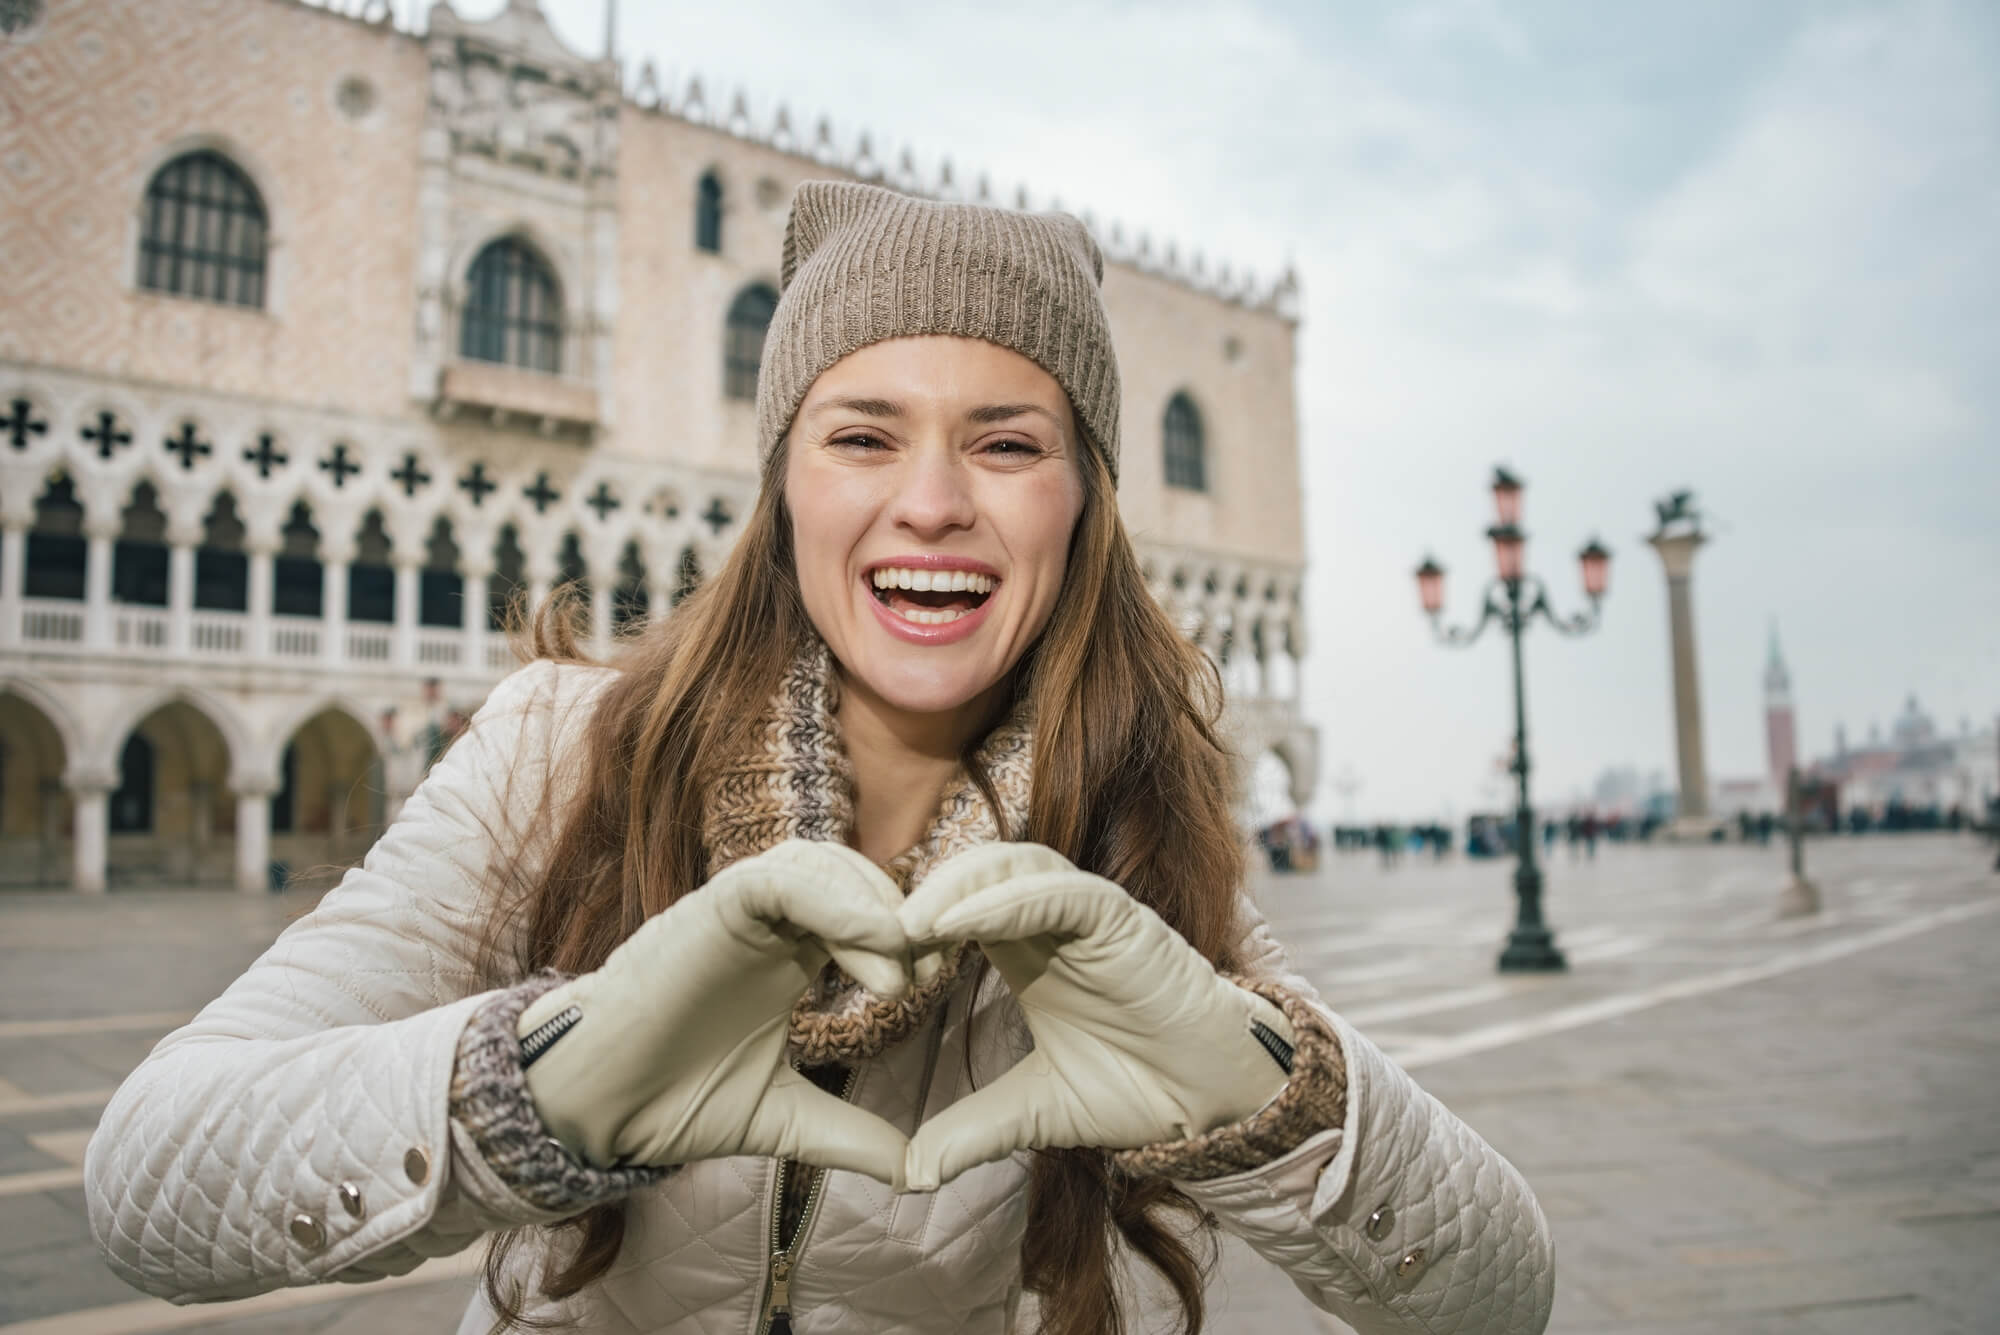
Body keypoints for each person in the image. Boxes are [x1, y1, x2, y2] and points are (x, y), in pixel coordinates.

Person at [84, 182, 1552, 1334]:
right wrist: (532, 1092)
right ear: (783, 483)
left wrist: (1265, 1103)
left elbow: (1497, 1299)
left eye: (1008, 444)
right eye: (862, 436)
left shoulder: (1131, 852)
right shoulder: (559, 752)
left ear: (1083, 507)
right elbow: (150, 1178)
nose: (933, 502)